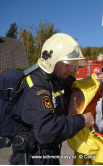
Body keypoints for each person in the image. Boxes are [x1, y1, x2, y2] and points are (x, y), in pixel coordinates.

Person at [7, 33, 95, 165]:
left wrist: (99, 82)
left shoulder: (59, 78)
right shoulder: (35, 85)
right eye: (67, 64)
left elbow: (81, 87)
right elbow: (46, 129)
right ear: (52, 62)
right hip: (32, 156)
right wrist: (82, 120)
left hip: (49, 153)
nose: (71, 69)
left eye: (73, 64)